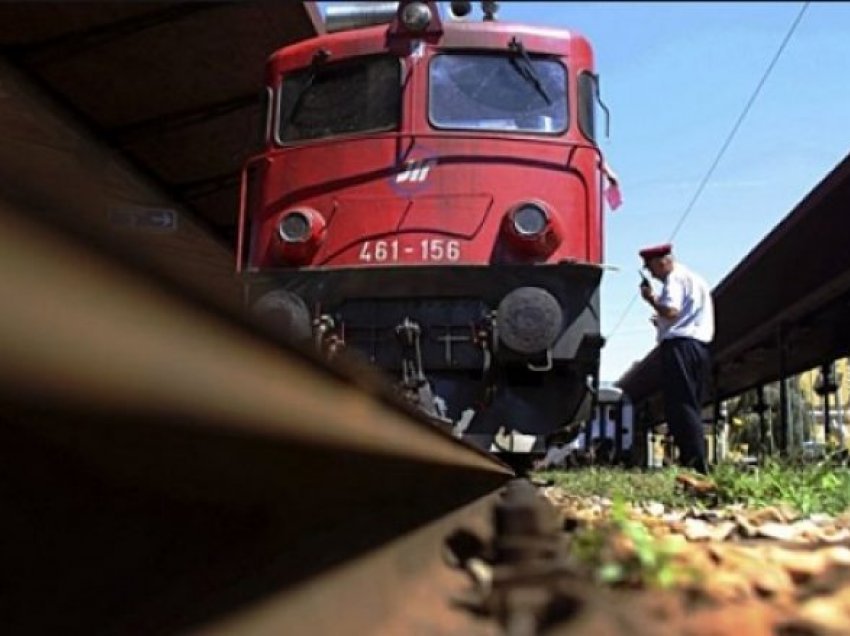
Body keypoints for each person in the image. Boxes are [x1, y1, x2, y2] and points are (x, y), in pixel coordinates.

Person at [638, 243, 714, 474]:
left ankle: (694, 463)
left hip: (680, 347)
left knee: (680, 405)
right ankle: (696, 460)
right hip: (698, 346)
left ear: (663, 262)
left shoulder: (675, 278)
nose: (651, 274)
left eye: (651, 268)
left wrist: (651, 299)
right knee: (690, 403)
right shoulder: (696, 279)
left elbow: (671, 310)